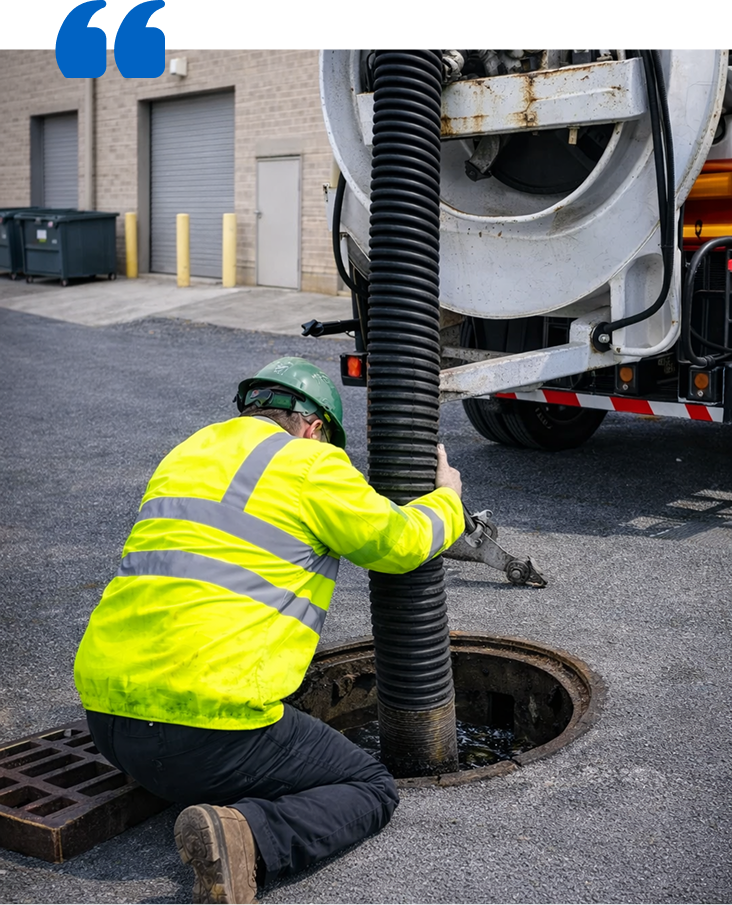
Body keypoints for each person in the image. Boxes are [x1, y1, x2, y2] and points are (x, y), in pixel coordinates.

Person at [74, 356, 464, 905]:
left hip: (108, 722)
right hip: (203, 736)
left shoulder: (187, 454)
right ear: (315, 427)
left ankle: (196, 790)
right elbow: (396, 544)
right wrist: (449, 498)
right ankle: (245, 839)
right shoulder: (309, 463)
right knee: (370, 786)